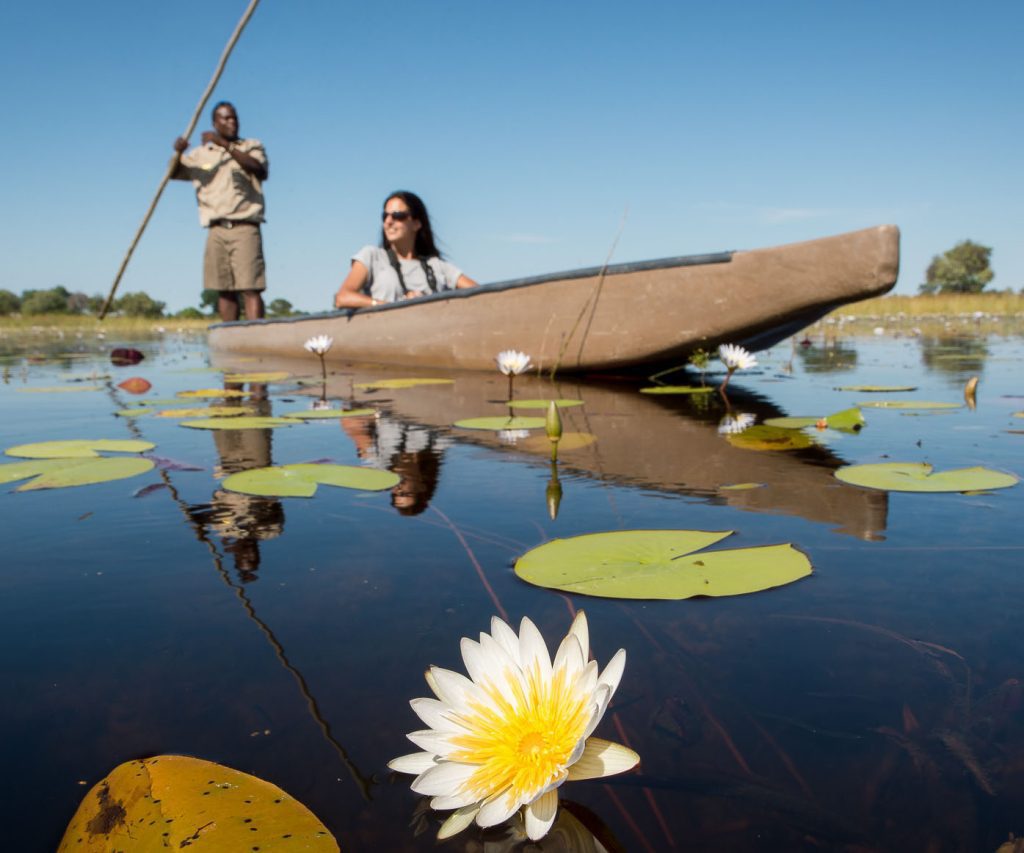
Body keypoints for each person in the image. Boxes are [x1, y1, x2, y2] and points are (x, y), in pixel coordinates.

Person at [171, 101, 269, 322]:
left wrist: (225, 145)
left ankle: (256, 333)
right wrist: (178, 153)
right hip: (215, 229)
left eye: (234, 118)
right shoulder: (200, 154)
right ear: (215, 123)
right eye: (226, 118)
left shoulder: (250, 146)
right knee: (223, 288)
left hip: (245, 226)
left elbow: (259, 169)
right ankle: (230, 335)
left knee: (251, 287)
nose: (232, 122)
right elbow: (175, 173)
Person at [334, 191, 477, 309]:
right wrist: (393, 307)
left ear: (416, 223)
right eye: (385, 216)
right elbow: (343, 297)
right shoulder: (372, 256)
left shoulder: (437, 266)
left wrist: (430, 304)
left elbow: (481, 294)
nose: (389, 221)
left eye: (398, 216)